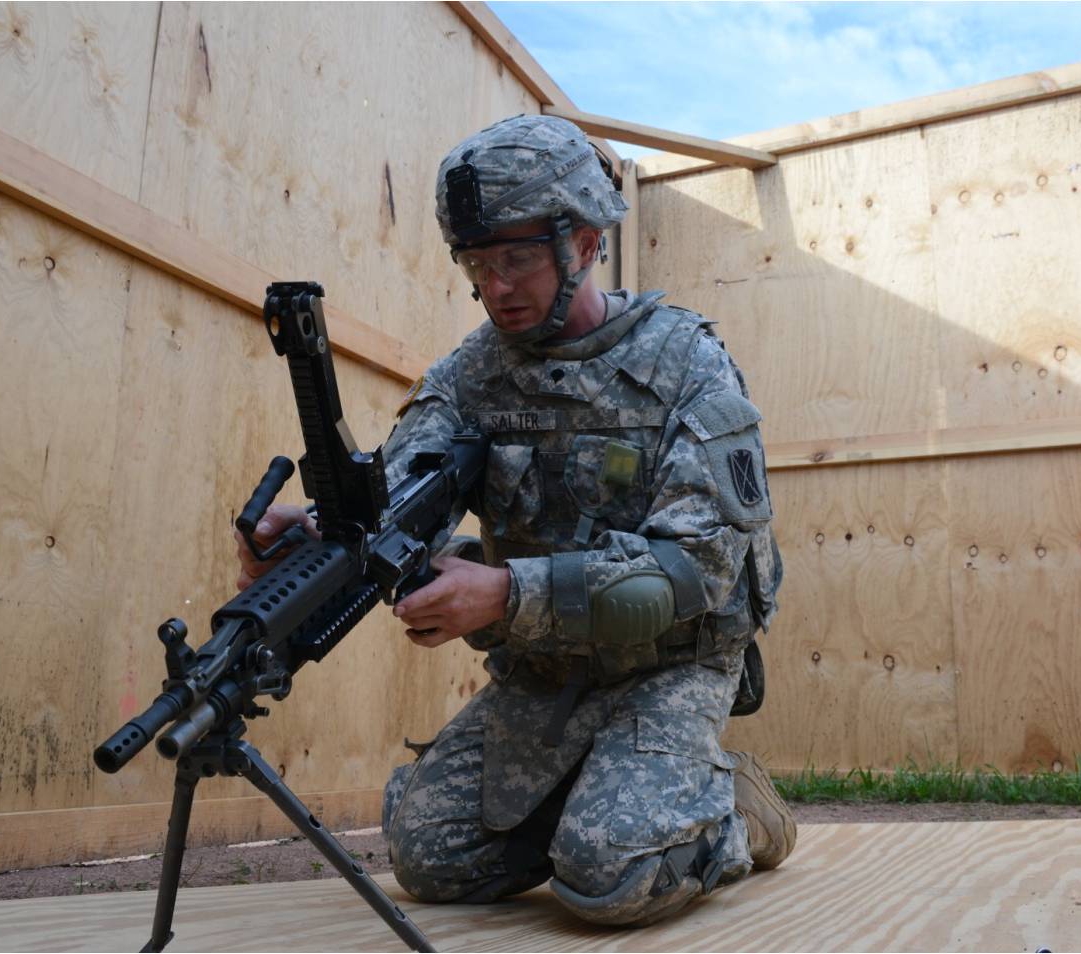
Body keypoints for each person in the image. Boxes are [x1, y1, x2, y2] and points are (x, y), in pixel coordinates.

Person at [235, 114, 792, 927]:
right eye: (477, 262)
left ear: (588, 241)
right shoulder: (470, 374)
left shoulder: (685, 366)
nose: (497, 286)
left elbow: (692, 575)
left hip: (668, 667)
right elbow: (400, 502)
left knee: (609, 876)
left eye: (520, 257)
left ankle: (734, 808)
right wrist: (317, 538)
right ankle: (605, 793)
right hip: (542, 673)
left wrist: (503, 596)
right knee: (428, 858)